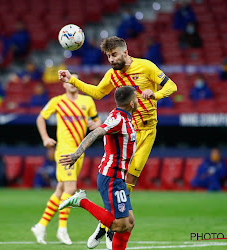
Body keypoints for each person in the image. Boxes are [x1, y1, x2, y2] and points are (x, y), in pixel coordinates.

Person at [58, 36, 177, 248]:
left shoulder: (146, 67)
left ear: (124, 51)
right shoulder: (112, 75)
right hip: (126, 131)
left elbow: (172, 87)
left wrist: (155, 94)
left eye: (113, 55)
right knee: (120, 179)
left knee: (130, 178)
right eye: (108, 56)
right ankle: (108, 224)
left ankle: (105, 226)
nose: (111, 60)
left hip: (147, 131)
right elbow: (97, 92)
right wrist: (72, 80)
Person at [59, 86, 138, 250]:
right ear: (131, 103)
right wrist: (77, 153)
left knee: (129, 223)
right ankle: (81, 201)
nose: (138, 101)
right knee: (119, 225)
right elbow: (96, 133)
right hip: (111, 177)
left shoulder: (120, 116)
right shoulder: (118, 120)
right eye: (136, 98)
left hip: (118, 177)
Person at [31, 73, 102, 245]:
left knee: (61, 190)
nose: (71, 84)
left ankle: (40, 226)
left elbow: (97, 121)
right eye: (68, 81)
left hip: (80, 151)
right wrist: (45, 138)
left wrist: (96, 125)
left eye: (74, 80)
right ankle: (62, 229)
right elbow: (40, 118)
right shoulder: (57, 101)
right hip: (64, 151)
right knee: (71, 188)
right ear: (64, 84)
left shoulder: (87, 102)